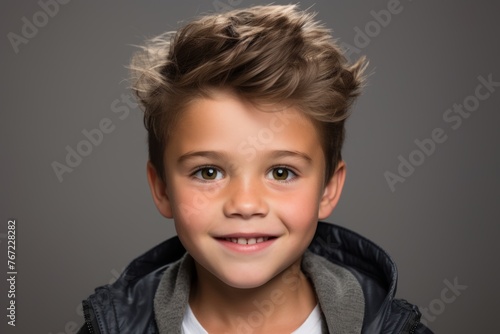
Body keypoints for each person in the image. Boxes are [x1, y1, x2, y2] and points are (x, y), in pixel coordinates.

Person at [77, 4, 433, 333]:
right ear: (162, 189)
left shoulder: (390, 328)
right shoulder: (112, 327)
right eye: (208, 172)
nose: (245, 205)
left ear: (328, 189)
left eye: (281, 173)